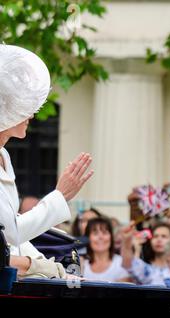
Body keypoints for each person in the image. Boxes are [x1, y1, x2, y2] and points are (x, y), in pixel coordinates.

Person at [0, 44, 93, 279]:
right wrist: (59, 196)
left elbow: (12, 233)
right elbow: (11, 233)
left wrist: (48, 266)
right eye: (22, 106)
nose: (31, 114)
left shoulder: (4, 155)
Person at [81, 217, 130, 282]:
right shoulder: (81, 264)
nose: (101, 237)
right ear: (88, 238)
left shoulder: (122, 263)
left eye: (105, 232)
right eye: (95, 233)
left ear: (111, 237)